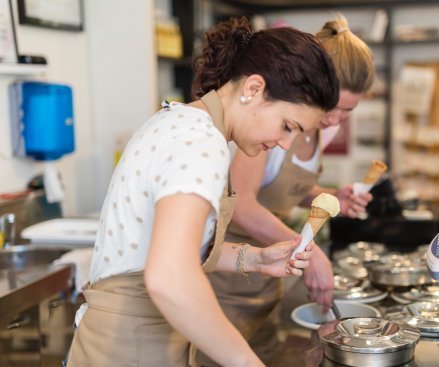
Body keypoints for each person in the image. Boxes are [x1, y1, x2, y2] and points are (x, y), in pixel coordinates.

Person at [65, 16, 339, 367]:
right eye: (287, 126)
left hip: (139, 338)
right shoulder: (200, 142)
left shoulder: (185, 125)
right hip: (129, 345)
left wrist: (254, 257)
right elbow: (169, 276)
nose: (285, 144)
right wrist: (247, 363)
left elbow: (163, 247)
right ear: (253, 89)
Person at [204, 16, 376, 344]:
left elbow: (283, 189)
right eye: (334, 106)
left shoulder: (322, 129)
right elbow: (242, 203)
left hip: (269, 269)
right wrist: (308, 250)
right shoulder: (272, 126)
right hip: (229, 279)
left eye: (348, 112)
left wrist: (328, 195)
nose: (335, 119)